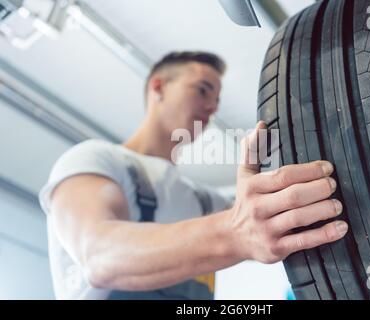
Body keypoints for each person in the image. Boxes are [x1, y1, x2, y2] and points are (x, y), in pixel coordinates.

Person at [39, 51, 348, 300]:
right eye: (202, 90)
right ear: (158, 87)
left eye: (216, 101)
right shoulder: (97, 158)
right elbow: (99, 257)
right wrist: (233, 232)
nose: (211, 107)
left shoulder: (203, 200)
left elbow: (272, 227)